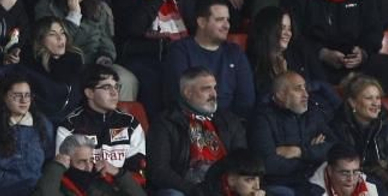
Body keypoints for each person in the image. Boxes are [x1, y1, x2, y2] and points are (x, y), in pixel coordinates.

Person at [112, 0, 194, 114]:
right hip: (144, 57)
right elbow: (133, 28)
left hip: (181, 51)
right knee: (157, 79)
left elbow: (193, 24)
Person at [148, 66, 248, 196]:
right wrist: (194, 191)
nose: (214, 94)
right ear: (188, 93)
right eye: (206, 89)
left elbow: (243, 162)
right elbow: (159, 170)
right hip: (185, 188)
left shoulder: (229, 120)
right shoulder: (165, 122)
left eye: (215, 88)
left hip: (225, 186)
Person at [251, 71, 335, 193]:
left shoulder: (312, 112)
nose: (306, 94)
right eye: (298, 89)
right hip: (282, 184)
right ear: (280, 95)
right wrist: (312, 158)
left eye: (305, 88)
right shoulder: (262, 119)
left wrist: (300, 152)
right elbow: (268, 164)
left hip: (315, 177)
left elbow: (333, 146)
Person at [55, 65, 147, 171]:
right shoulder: (69, 126)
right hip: (84, 187)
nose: (114, 93)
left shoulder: (130, 123)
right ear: (89, 93)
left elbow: (137, 166)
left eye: (116, 87)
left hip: (122, 185)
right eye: (107, 87)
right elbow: (64, 169)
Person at [328, 75, 388, 186]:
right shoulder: (337, 128)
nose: (376, 103)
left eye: (377, 98)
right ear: (352, 102)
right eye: (369, 98)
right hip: (353, 185)